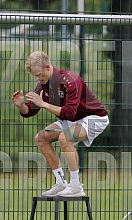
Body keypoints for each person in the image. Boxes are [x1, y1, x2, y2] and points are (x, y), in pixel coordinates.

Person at [12, 51, 109, 197]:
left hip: (94, 118)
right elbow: (31, 110)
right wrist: (21, 106)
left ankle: (76, 186)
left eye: (39, 75)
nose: (37, 78)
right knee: (41, 138)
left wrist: (43, 103)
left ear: (47, 67)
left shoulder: (71, 80)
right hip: (72, 120)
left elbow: (68, 113)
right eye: (34, 76)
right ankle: (61, 183)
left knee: (65, 138)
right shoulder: (42, 86)